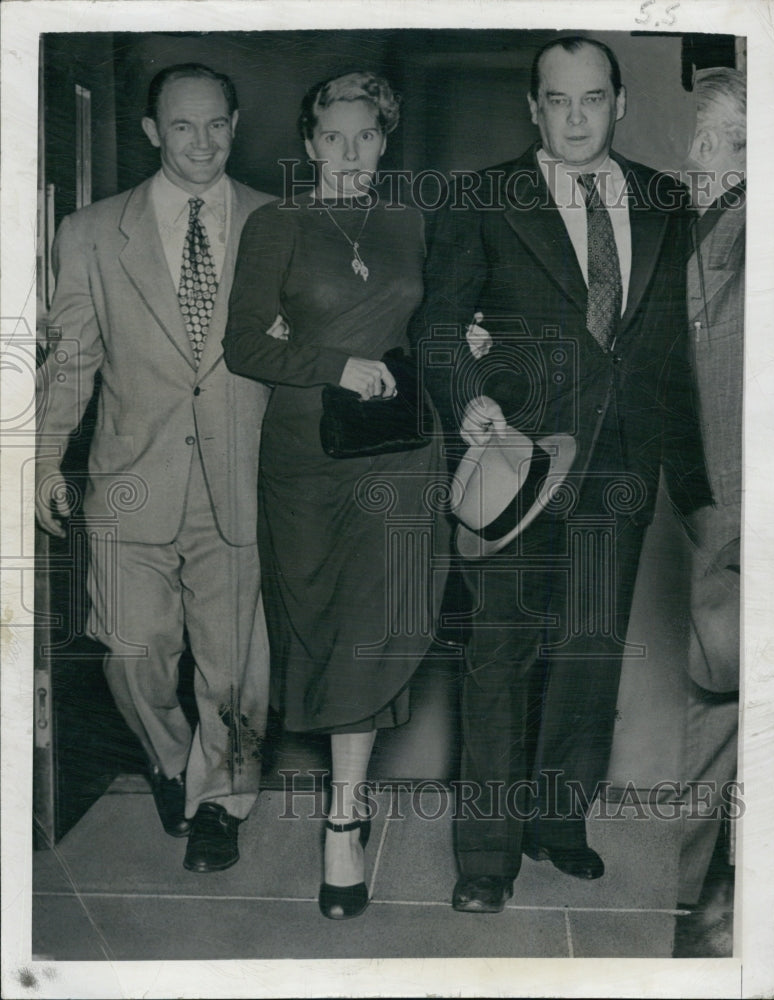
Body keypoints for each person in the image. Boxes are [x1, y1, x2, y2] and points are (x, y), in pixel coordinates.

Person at [411, 36, 713, 913]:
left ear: (618, 103)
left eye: (591, 99)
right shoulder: (479, 197)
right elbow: (437, 326)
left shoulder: (665, 200)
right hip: (515, 466)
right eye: (557, 100)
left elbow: (675, 353)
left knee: (587, 656)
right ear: (532, 107)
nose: (575, 117)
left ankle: (556, 823)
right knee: (498, 659)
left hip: (620, 467)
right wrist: (467, 398)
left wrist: (698, 492)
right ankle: (486, 857)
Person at [35, 63, 276, 874]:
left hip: (239, 486)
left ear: (235, 125)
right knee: (133, 657)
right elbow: (70, 361)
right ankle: (174, 765)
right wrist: (41, 459)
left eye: (216, 125)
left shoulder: (278, 224)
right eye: (182, 126)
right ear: (151, 132)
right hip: (130, 485)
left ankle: (221, 802)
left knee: (235, 670)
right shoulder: (94, 233)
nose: (201, 143)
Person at [224, 71, 446, 920]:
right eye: (331, 138)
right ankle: (336, 805)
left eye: (365, 137)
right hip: (306, 459)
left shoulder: (405, 220)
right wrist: (330, 364)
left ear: (383, 142)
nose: (348, 153)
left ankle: (344, 820)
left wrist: (454, 334)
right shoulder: (277, 224)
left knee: (372, 624)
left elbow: (418, 323)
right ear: (308, 143)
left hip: (394, 452)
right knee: (316, 629)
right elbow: (245, 344)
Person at [674, 67, 745, 956]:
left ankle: (717, 906)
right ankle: (698, 898)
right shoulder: (700, 228)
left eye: (723, 143)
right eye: (697, 139)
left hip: (745, 504)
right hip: (708, 509)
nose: (698, 158)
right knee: (716, 695)